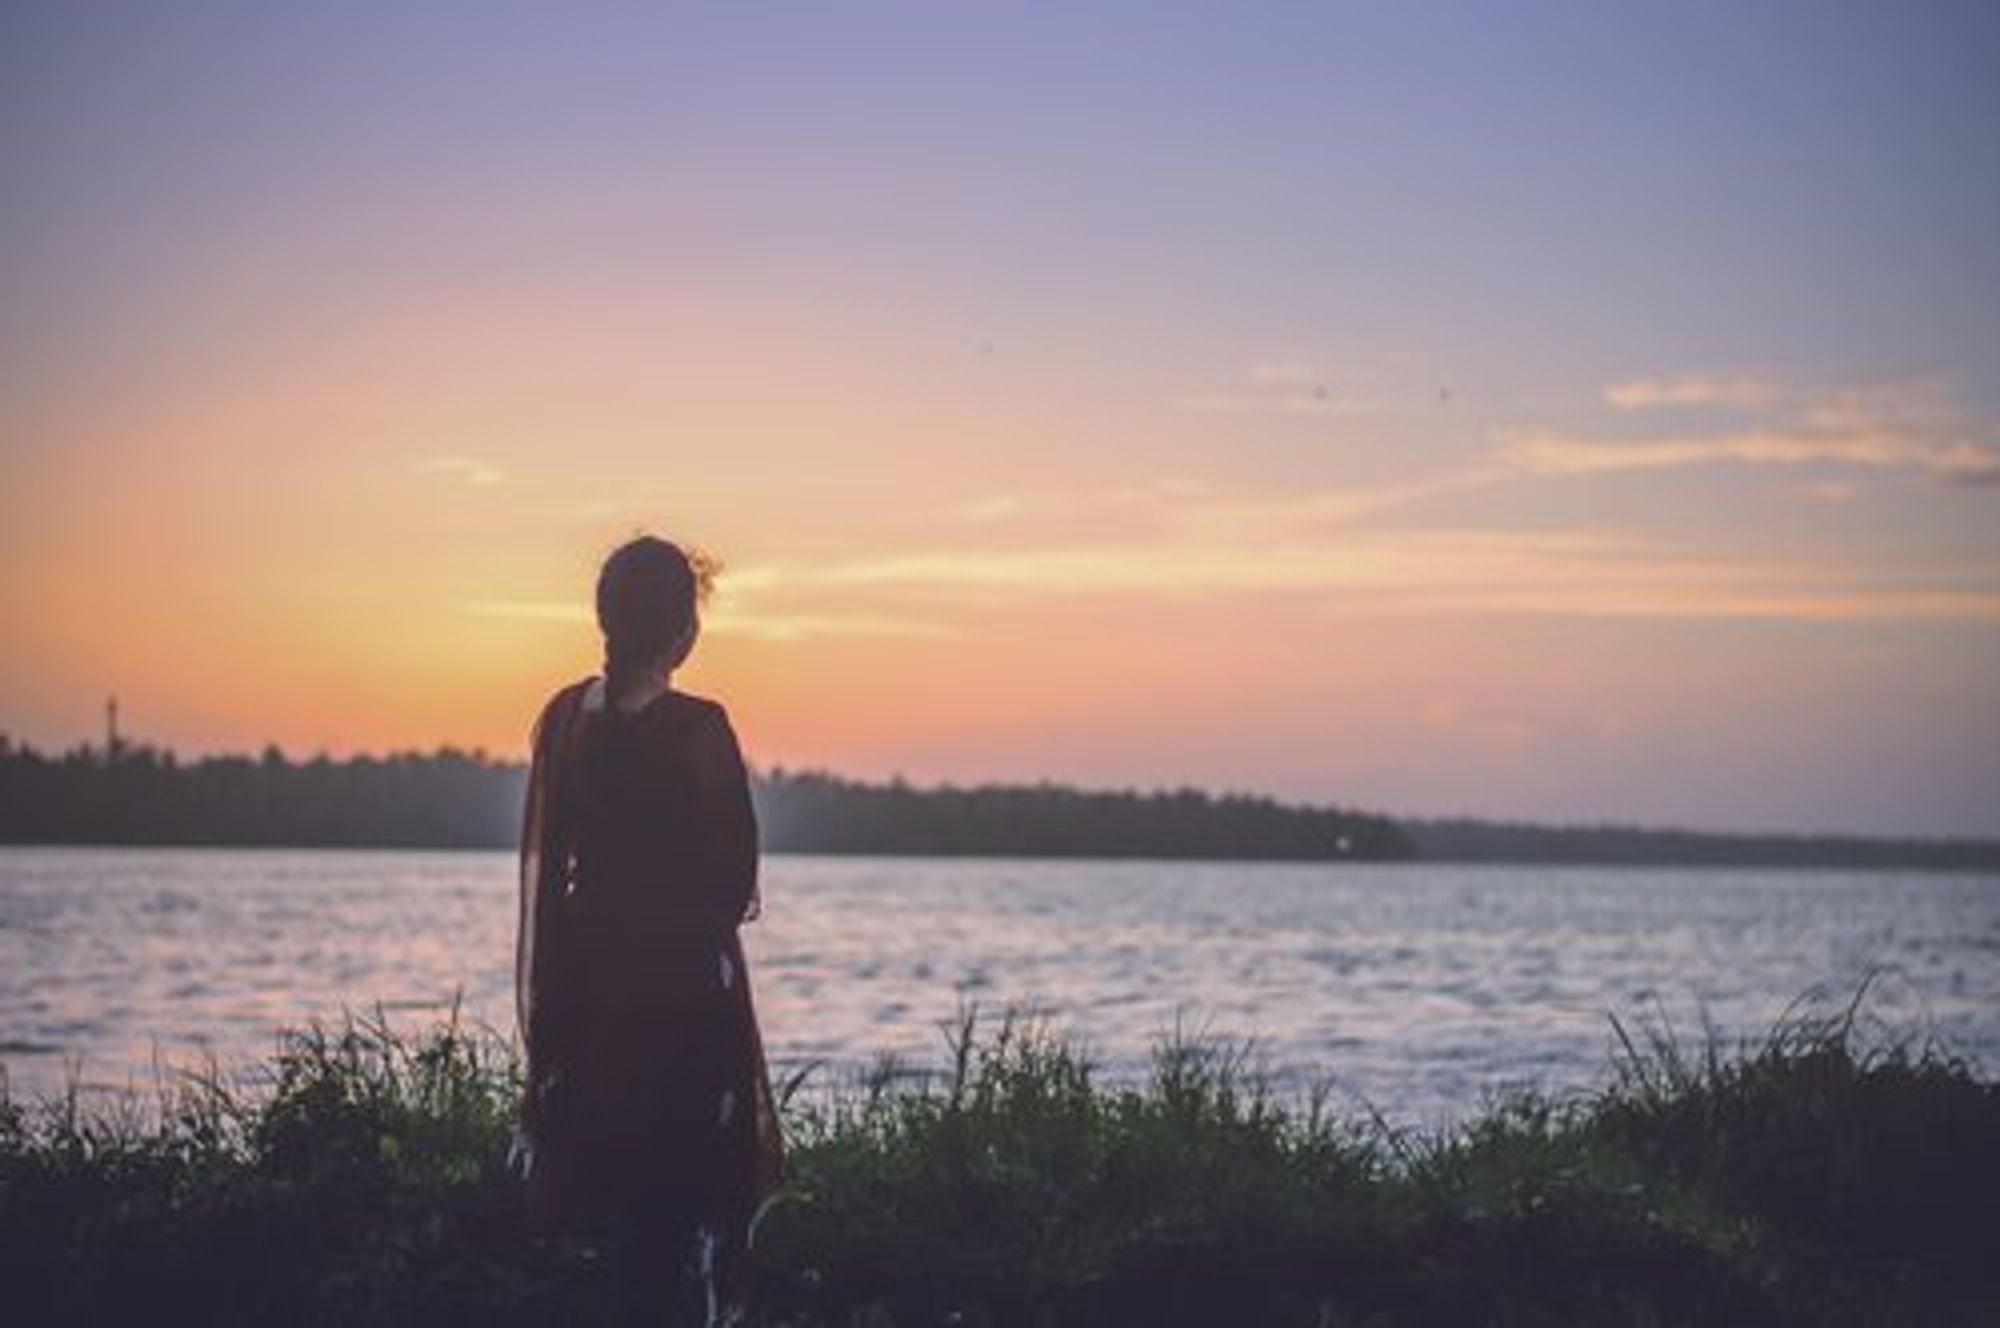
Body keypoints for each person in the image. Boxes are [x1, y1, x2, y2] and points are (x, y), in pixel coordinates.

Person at [516, 535, 782, 1325]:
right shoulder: (699, 728)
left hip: (587, 991)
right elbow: (734, 876)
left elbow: (551, 867)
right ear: (678, 630)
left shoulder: (565, 719)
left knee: (618, 1201)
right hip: (682, 1001)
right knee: (683, 1199)